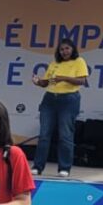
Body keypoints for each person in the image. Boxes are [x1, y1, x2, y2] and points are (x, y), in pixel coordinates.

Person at [31, 38, 88, 178]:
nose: (64, 51)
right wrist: (38, 82)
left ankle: (64, 168)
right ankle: (37, 167)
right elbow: (48, 82)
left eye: (67, 48)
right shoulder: (54, 64)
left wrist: (64, 78)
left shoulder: (79, 61)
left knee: (65, 135)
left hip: (69, 99)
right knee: (44, 135)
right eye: (62, 49)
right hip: (50, 98)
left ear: (73, 49)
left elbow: (82, 80)